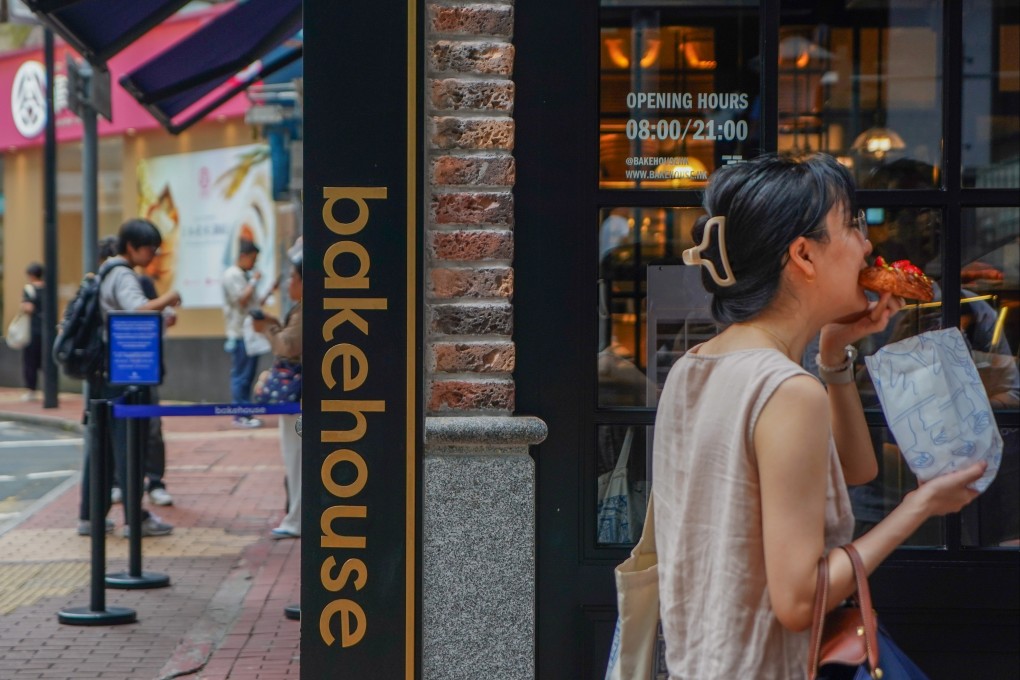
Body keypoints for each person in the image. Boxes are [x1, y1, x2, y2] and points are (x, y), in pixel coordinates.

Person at [653, 152, 986, 679]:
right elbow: (800, 601)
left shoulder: (694, 367)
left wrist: (833, 352)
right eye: (851, 225)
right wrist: (921, 505)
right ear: (804, 255)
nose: (867, 243)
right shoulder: (786, 389)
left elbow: (854, 471)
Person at [77, 219, 181, 537]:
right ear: (133, 247)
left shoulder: (106, 271)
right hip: (121, 373)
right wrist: (170, 298)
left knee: (102, 446)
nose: (153, 255)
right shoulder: (122, 274)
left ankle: (91, 517)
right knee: (128, 445)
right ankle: (135, 520)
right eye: (150, 248)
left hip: (103, 373)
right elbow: (137, 311)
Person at [252, 241, 302, 538]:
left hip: (296, 397)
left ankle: (296, 518)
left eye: (292, 278)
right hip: (297, 398)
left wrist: (268, 330)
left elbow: (288, 346)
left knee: (295, 458)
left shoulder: (305, 310)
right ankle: (294, 515)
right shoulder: (299, 309)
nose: (288, 283)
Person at [222, 239, 267, 428]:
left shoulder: (243, 274)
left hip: (250, 334)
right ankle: (240, 415)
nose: (254, 264)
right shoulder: (232, 275)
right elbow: (242, 300)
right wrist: (255, 280)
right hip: (240, 334)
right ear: (243, 256)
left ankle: (246, 413)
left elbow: (253, 304)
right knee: (241, 375)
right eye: (253, 259)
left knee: (248, 376)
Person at [19, 262, 45, 401]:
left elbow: (28, 308)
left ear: (31, 275)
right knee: (45, 360)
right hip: (47, 330)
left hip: (33, 329)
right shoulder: (48, 288)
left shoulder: (29, 289)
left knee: (30, 361)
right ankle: (49, 388)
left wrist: (22, 305)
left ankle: (31, 390)